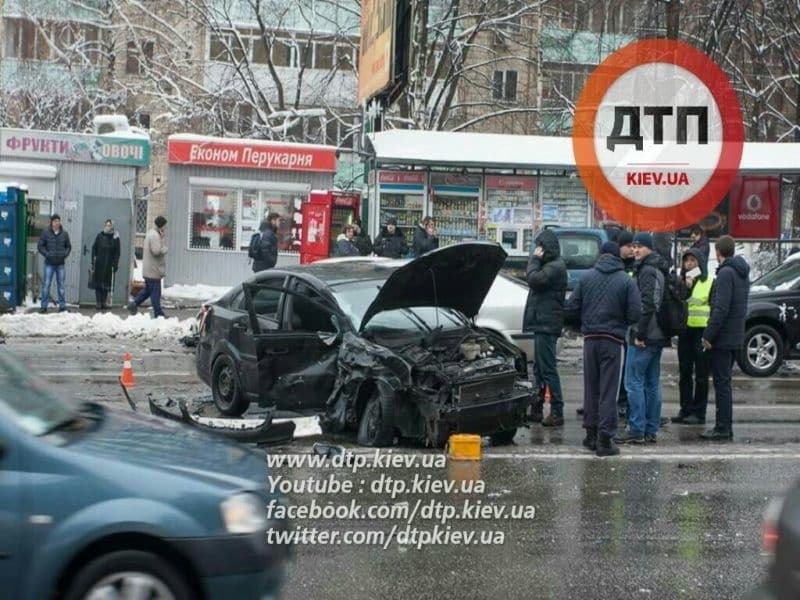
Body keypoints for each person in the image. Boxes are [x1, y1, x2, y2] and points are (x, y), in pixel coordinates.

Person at [566, 241, 641, 456]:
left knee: (591, 387)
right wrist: (621, 322)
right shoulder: (625, 281)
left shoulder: (587, 277)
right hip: (613, 340)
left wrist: (583, 324)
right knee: (609, 390)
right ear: (618, 257)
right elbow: (636, 313)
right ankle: (605, 440)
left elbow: (571, 308)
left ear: (601, 256)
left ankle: (590, 434)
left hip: (590, 339)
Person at [616, 232, 670, 445]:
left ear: (649, 248)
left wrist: (640, 332)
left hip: (645, 335)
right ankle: (650, 429)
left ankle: (637, 429)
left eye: (640, 246)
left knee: (633, 382)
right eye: (634, 246)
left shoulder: (647, 270)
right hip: (657, 335)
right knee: (651, 383)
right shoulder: (657, 267)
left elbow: (649, 304)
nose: (636, 250)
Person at [701, 235, 750, 441]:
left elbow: (720, 308)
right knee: (725, 382)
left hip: (722, 337)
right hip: (735, 334)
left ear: (718, 252)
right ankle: (724, 426)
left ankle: (722, 427)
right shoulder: (742, 273)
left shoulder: (725, 274)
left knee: (721, 384)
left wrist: (708, 335)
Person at [524, 229, 568, 426]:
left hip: (547, 324)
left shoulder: (555, 267)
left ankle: (557, 410)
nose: (537, 250)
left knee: (548, 368)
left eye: (539, 246)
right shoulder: (550, 265)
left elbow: (534, 279)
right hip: (542, 322)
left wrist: (533, 260)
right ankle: (537, 408)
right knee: (539, 369)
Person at [671, 248, 713, 425]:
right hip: (685, 331)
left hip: (702, 331)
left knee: (701, 375)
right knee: (685, 373)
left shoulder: (709, 281)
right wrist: (685, 288)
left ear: (700, 263)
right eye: (686, 261)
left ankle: (699, 412)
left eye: (693, 261)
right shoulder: (681, 281)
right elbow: (678, 304)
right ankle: (685, 409)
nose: (689, 264)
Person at [127, 216, 168, 318]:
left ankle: (134, 304)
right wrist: (164, 249)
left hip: (150, 269)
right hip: (153, 269)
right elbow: (156, 251)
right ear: (161, 225)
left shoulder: (152, 233)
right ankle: (158, 313)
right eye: (164, 226)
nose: (165, 228)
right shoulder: (154, 235)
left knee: (148, 290)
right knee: (155, 293)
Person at [38, 214, 72, 313]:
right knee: (46, 285)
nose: (57, 223)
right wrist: (47, 254)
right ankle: (43, 306)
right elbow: (40, 246)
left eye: (58, 221)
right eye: (55, 221)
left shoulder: (64, 234)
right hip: (49, 263)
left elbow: (68, 247)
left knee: (61, 285)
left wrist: (64, 255)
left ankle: (62, 306)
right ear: (52, 222)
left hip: (60, 264)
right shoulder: (45, 233)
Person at [91, 219, 121, 310]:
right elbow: (94, 248)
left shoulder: (115, 238)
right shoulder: (100, 236)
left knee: (106, 284)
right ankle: (98, 303)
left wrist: (115, 264)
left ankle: (104, 302)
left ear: (112, 227)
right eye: (107, 225)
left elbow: (117, 252)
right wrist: (93, 261)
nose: (108, 227)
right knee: (98, 284)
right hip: (100, 264)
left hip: (109, 264)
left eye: (110, 225)